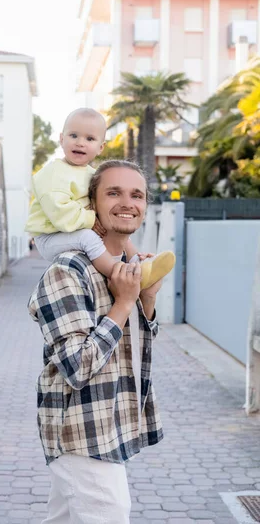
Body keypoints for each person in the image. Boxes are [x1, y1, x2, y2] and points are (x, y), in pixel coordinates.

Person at [28, 160, 164, 524]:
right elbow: (76, 366)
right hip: (81, 431)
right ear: (92, 204)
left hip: (112, 422)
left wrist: (144, 300)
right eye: (113, 192)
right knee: (110, 514)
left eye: (136, 194)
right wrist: (123, 303)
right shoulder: (68, 270)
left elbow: (130, 350)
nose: (127, 202)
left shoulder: (124, 267)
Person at [25, 107, 175, 289]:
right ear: (61, 139)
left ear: (100, 147)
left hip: (75, 229)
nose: (80, 143)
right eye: (73, 136)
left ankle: (139, 264)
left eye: (89, 139)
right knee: (87, 238)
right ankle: (121, 275)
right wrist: (92, 219)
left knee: (116, 233)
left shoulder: (92, 174)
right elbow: (60, 213)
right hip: (51, 236)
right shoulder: (52, 174)